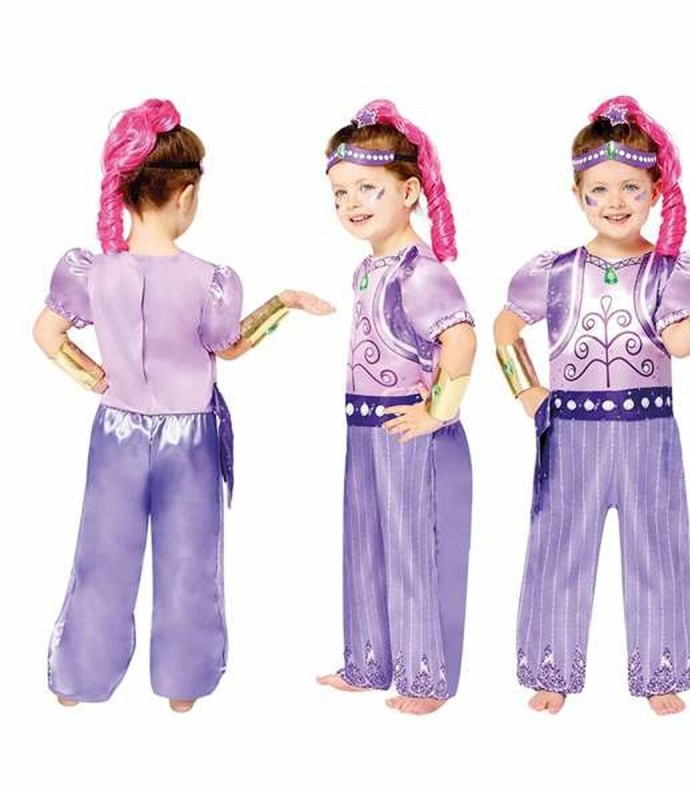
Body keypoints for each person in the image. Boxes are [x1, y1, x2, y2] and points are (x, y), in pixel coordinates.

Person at [33, 98, 332, 712]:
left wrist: (97, 379)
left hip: (116, 429)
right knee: (189, 562)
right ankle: (183, 684)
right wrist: (281, 304)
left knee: (102, 554)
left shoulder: (91, 271)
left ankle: (78, 680)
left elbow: (46, 335)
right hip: (188, 438)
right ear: (187, 195)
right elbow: (231, 345)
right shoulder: (210, 279)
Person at [494, 95, 690, 716]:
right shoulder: (554, 271)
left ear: (655, 190)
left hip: (648, 430)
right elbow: (505, 326)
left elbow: (679, 343)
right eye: (599, 190)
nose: (616, 202)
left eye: (631, 187)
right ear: (577, 194)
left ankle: (660, 671)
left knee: (657, 547)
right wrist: (527, 391)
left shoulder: (671, 271)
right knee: (558, 547)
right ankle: (551, 668)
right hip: (570, 430)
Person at [316, 100, 476, 715]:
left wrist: (438, 411)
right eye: (340, 193)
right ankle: (368, 661)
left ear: (408, 191)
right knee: (365, 545)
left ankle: (424, 677)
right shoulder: (368, 268)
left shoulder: (420, 271)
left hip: (410, 428)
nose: (351, 203)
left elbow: (460, 339)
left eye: (368, 188)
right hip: (364, 425)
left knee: (413, 551)